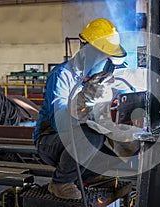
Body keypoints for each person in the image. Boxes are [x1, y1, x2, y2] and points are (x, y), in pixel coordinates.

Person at [32, 18, 127, 200]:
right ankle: (60, 182)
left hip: (79, 138)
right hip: (50, 139)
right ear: (86, 49)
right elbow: (59, 122)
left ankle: (80, 176)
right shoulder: (61, 76)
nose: (106, 62)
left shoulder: (103, 80)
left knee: (122, 142)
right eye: (102, 55)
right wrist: (84, 100)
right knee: (91, 135)